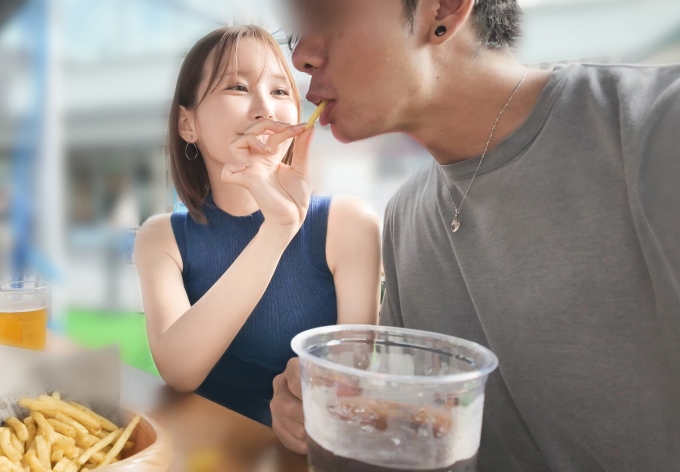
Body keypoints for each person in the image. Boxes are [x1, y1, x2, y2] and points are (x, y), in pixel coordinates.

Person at [269, 0, 680, 470]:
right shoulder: (405, 217)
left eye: (324, 14)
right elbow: (422, 420)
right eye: (294, 33)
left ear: (443, 9)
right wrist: (331, 407)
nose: (300, 55)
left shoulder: (655, 128)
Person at [134, 25, 382, 426]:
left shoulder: (350, 226)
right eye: (237, 86)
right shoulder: (161, 239)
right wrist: (278, 228)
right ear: (187, 124)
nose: (265, 108)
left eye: (281, 91)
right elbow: (179, 372)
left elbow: (349, 390)